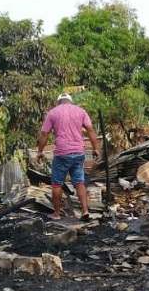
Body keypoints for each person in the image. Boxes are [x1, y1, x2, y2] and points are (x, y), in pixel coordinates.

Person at [36, 93, 101, 221]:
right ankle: (85, 211)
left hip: (62, 153)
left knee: (57, 184)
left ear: (58, 102)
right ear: (70, 101)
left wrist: (40, 151)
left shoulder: (53, 113)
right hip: (78, 152)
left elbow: (44, 133)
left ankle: (56, 214)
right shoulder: (81, 111)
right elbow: (91, 130)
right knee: (79, 183)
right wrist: (95, 149)